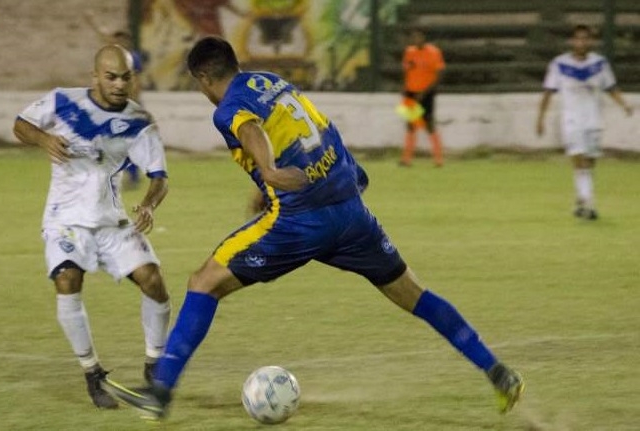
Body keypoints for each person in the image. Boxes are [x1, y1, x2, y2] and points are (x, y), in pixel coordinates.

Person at [103, 36, 524, 420]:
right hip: (350, 213)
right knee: (415, 295)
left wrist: (269, 171)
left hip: (299, 222)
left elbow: (249, 130)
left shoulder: (227, 108)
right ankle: (497, 372)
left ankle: (160, 393)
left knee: (203, 282)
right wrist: (335, 177)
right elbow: (321, 127)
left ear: (203, 78)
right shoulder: (271, 83)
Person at [12, 45, 171, 409]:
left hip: (111, 220)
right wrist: (44, 139)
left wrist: (148, 204)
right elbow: (20, 125)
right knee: (67, 280)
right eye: (111, 77)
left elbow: (160, 177)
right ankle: (92, 373)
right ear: (95, 76)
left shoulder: (140, 121)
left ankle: (154, 363)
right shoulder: (63, 102)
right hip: (65, 219)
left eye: (126, 78)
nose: (119, 85)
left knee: (153, 280)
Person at [537, 24, 633, 220]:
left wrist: (624, 104)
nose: (581, 42)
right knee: (579, 158)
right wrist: (541, 118)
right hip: (572, 119)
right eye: (578, 38)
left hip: (593, 119)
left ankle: (581, 201)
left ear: (591, 41)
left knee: (589, 162)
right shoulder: (559, 64)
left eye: (585, 39)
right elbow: (548, 92)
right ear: (572, 41)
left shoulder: (600, 63)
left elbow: (611, 87)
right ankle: (589, 205)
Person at [85, 10, 145, 188]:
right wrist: (92, 20)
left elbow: (136, 82)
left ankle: (132, 175)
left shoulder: (131, 58)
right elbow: (103, 34)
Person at [400, 29, 445, 167]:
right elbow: (407, 71)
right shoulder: (409, 52)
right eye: (413, 37)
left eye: (418, 37)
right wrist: (405, 88)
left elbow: (439, 74)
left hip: (427, 93)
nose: (416, 40)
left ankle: (438, 159)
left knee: (429, 124)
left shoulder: (434, 52)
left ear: (424, 38)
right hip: (411, 92)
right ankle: (406, 159)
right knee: (410, 125)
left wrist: (425, 92)